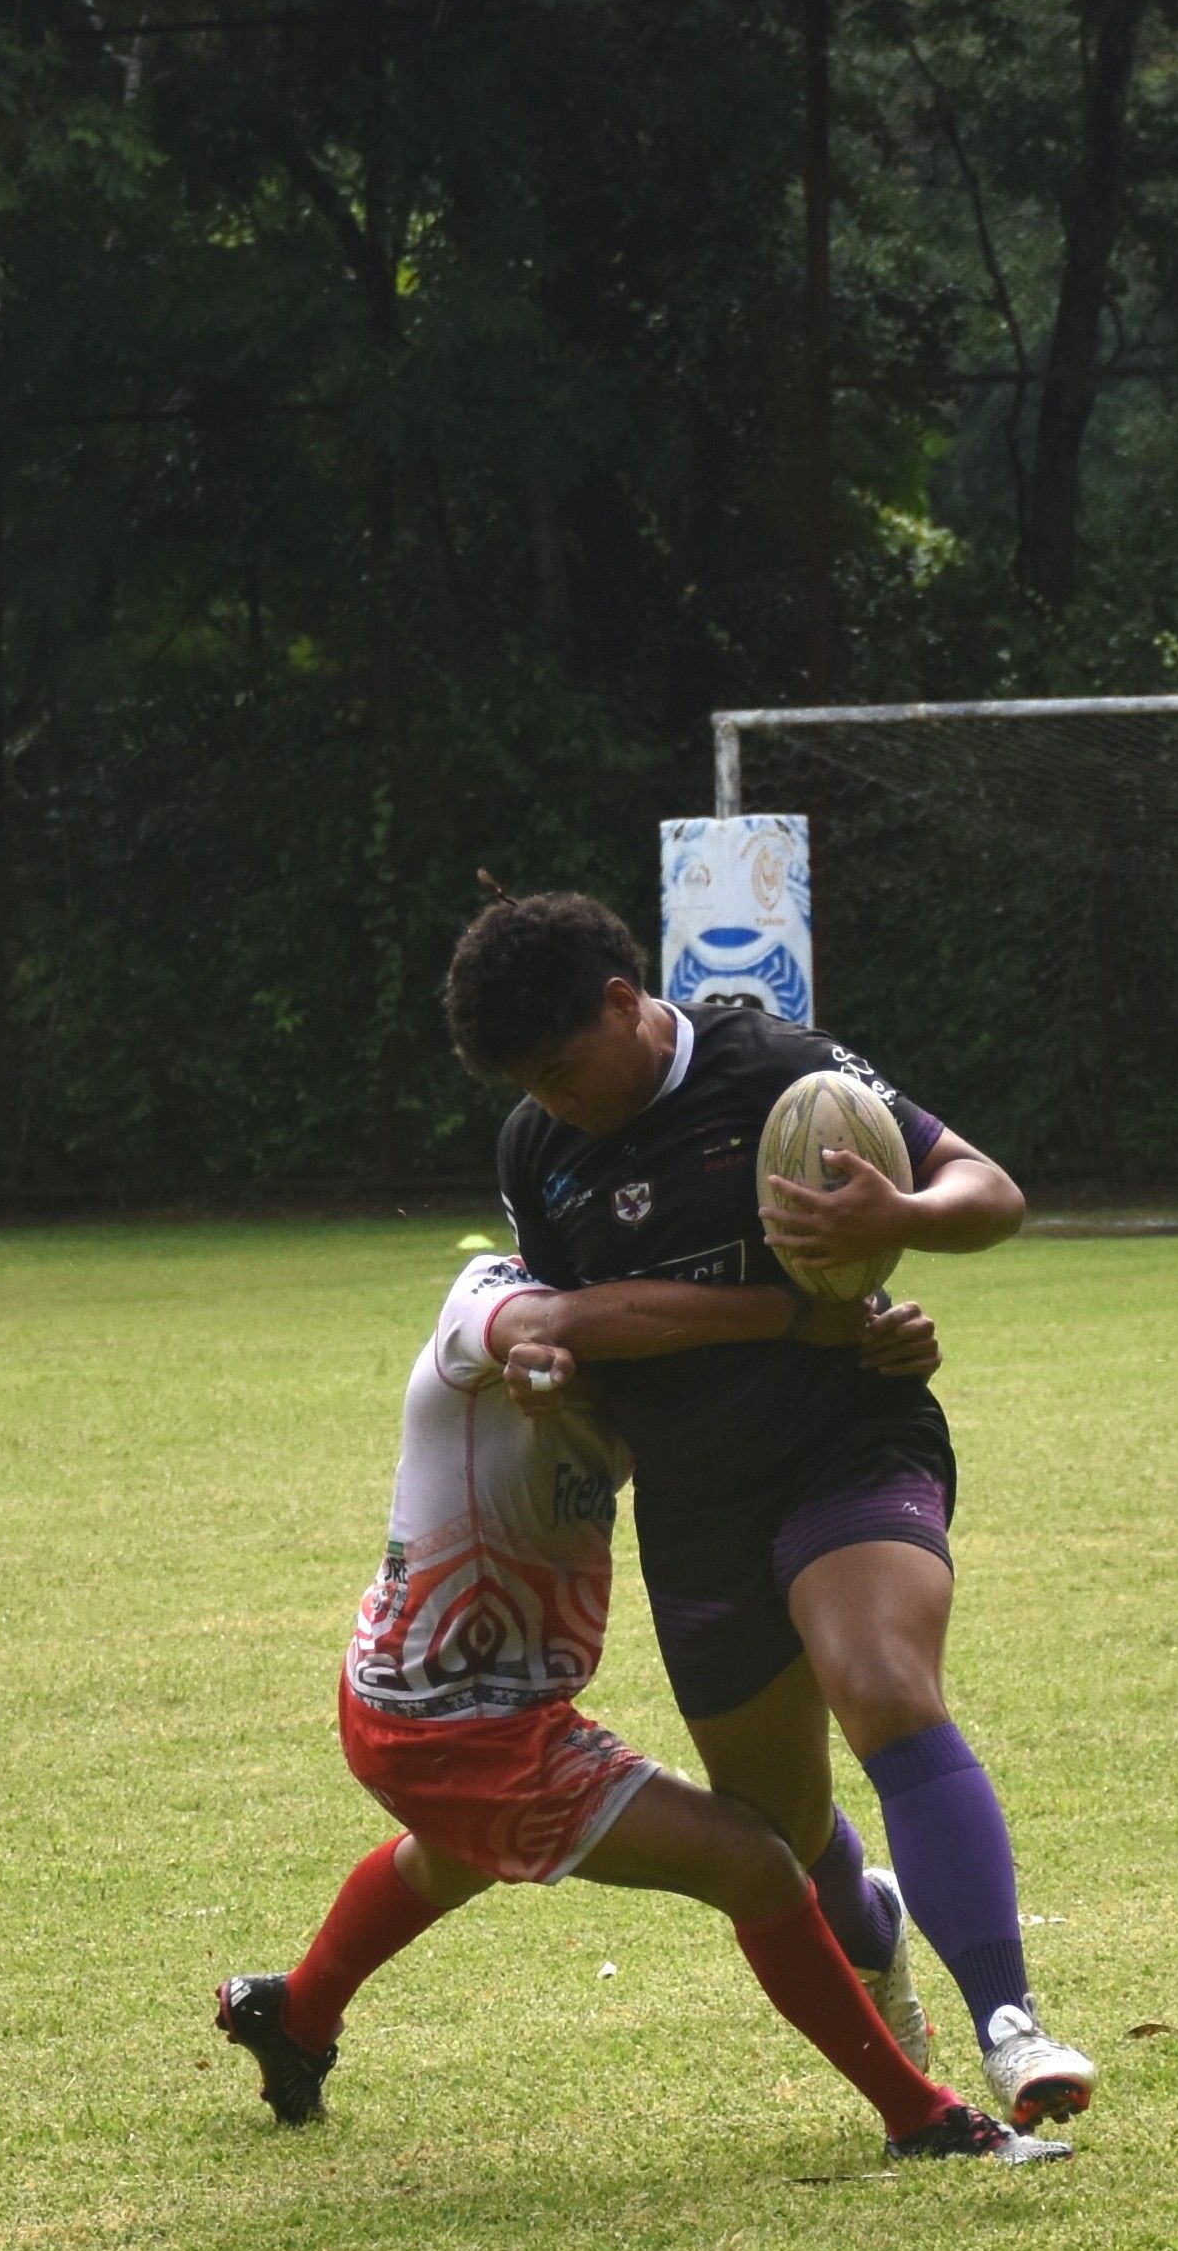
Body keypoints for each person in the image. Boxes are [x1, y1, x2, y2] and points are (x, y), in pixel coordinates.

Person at [445, 891, 1096, 2129]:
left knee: (884, 1684)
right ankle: (879, 1926)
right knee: (783, 1825)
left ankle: (1011, 2023)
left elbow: (991, 1191)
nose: (555, 1097)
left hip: (843, 1436)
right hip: (695, 1493)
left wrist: (899, 1217)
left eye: (564, 1065)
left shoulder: (776, 1072)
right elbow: (558, 1318)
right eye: (527, 1080)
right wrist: (548, 1368)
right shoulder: (538, 1146)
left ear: (626, 1006)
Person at [214, 1246, 1062, 2163]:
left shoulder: (658, 1346)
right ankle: (922, 2119)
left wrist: (875, 1342)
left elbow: (752, 1395)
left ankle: (295, 2014)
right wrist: (765, 1318)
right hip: (455, 1720)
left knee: (457, 1856)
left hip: (444, 1704)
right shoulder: (495, 1291)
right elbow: (533, 1332)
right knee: (756, 1864)